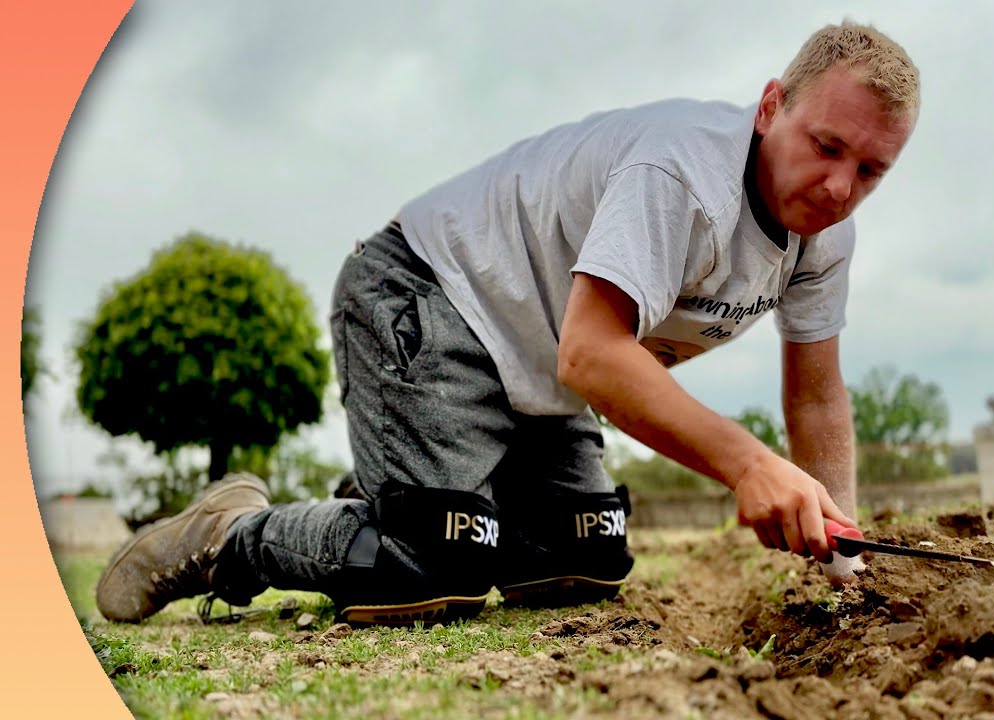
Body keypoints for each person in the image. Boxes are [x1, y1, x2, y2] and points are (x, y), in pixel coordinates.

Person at [95, 21, 919, 626]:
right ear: (772, 106)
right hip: (428, 291)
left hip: (535, 363)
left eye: (871, 170)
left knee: (585, 559)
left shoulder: (824, 235)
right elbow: (596, 355)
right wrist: (748, 466)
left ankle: (410, 491)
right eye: (827, 146)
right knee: (436, 565)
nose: (840, 187)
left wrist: (841, 538)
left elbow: (816, 397)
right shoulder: (683, 174)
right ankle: (229, 532)